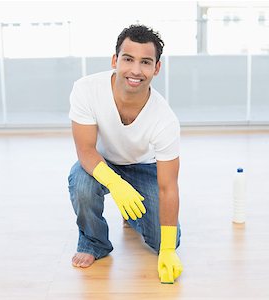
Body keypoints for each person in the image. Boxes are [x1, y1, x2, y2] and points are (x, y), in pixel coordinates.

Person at [67, 24, 183, 284]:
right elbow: (85, 149)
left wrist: (166, 250)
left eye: (145, 62)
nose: (135, 70)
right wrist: (115, 183)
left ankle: (132, 214)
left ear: (156, 68)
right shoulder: (86, 89)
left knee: (168, 241)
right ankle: (94, 243)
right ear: (115, 60)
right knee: (81, 183)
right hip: (101, 162)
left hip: (144, 167)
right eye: (128, 59)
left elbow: (168, 187)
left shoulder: (165, 120)